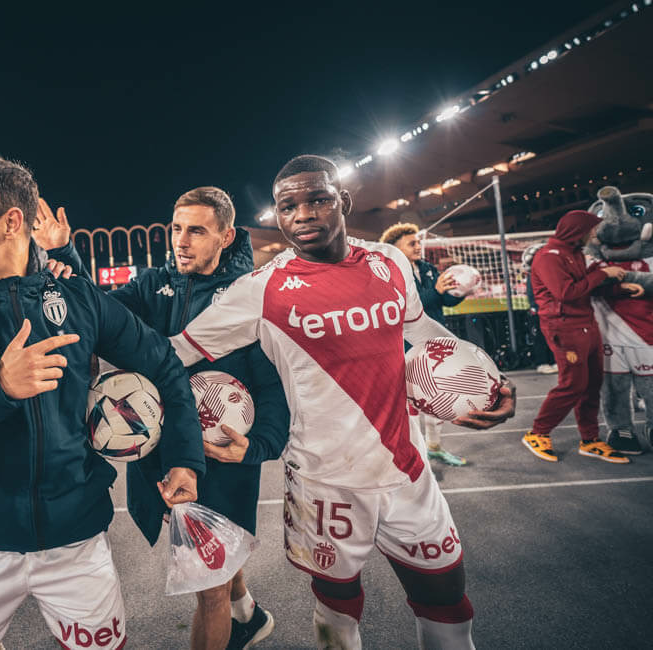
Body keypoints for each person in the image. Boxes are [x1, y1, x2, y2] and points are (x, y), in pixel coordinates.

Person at [170, 155, 517, 649]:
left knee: (447, 603)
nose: (303, 214)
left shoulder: (389, 261)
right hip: (323, 482)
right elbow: (176, 350)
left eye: (318, 199)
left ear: (344, 201)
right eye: (288, 206)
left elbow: (420, 328)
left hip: (407, 471)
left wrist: (488, 379)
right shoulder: (260, 289)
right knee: (337, 611)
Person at [0, 156, 206, 650]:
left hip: (76, 542)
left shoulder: (78, 297)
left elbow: (164, 364)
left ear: (11, 222)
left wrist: (183, 457)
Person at [38, 188, 287, 650]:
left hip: (222, 462)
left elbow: (273, 386)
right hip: (163, 454)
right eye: (177, 228)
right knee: (219, 562)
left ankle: (235, 617)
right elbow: (97, 312)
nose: (181, 240)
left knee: (209, 588)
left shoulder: (248, 296)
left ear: (225, 236)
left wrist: (257, 446)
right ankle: (248, 615)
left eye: (197, 231)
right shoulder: (151, 286)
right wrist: (63, 253)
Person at [523, 209, 640, 464]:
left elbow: (586, 288)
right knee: (573, 385)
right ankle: (538, 433)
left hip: (586, 324)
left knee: (592, 384)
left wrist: (618, 289)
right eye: (592, 229)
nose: (595, 233)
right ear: (578, 231)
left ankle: (590, 440)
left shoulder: (574, 253)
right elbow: (566, 293)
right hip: (564, 328)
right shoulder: (548, 256)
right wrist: (603, 274)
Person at [380, 222, 469, 467]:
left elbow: (444, 300)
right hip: (405, 344)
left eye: (418, 242)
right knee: (409, 402)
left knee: (436, 396)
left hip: (434, 340)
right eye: (412, 243)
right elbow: (405, 307)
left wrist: (461, 291)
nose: (418, 246)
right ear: (396, 248)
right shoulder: (388, 272)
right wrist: (436, 291)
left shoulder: (427, 268)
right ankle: (413, 452)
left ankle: (434, 447)